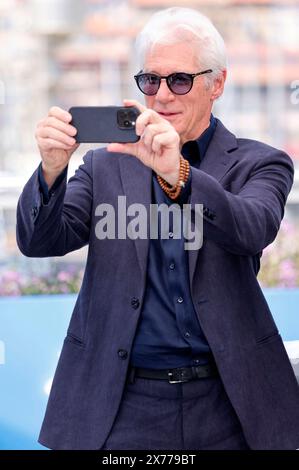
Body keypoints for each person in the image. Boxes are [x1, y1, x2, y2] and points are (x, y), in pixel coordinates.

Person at [16, 7, 299, 450]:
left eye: (179, 80)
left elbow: (253, 227)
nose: (163, 95)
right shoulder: (103, 165)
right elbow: (39, 242)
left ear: (217, 84)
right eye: (151, 80)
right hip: (122, 402)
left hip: (228, 400)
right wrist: (51, 171)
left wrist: (179, 172)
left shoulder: (261, 162)